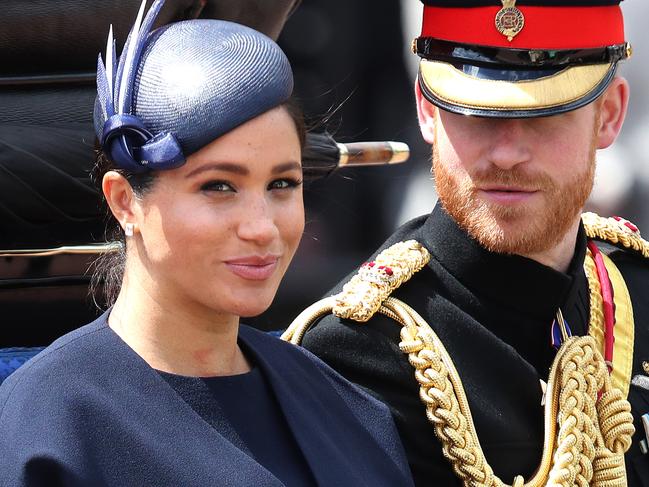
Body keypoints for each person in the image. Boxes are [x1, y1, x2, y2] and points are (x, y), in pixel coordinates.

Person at [0, 1, 415, 486]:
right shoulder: (51, 427)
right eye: (219, 186)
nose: (261, 227)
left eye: (282, 184)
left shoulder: (346, 409)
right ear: (124, 201)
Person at [290, 0, 649, 485]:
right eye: (476, 114)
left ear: (609, 115)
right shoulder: (358, 349)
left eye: (545, 116)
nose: (506, 154)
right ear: (427, 111)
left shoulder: (636, 290)